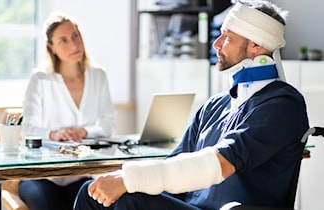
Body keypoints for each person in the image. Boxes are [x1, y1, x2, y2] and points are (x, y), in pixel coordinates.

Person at [74, 0, 310, 209]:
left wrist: (130, 179)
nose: (216, 44)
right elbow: (176, 166)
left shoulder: (282, 104)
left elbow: (220, 164)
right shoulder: (214, 106)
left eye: (227, 37)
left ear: (257, 46)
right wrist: (121, 180)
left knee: (129, 198)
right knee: (91, 192)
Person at [18, 12, 115, 210]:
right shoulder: (40, 79)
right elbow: (27, 128)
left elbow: (108, 124)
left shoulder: (98, 76)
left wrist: (84, 131)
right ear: (50, 48)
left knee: (102, 202)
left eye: (75, 35)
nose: (74, 44)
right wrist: (55, 134)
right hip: (41, 177)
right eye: (63, 40)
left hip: (79, 174)